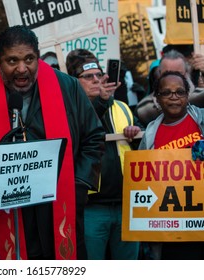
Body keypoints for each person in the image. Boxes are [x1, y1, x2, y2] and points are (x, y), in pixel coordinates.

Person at [0, 25, 105, 260]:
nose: (22, 69)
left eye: (29, 59)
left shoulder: (68, 87)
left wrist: (78, 184)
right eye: (12, 60)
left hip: (54, 209)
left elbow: (93, 137)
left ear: (38, 56)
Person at [66, 49, 142, 260]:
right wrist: (101, 102)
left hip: (127, 203)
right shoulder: (70, 110)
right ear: (74, 81)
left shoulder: (123, 108)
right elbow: (84, 132)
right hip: (92, 209)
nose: (96, 80)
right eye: (88, 77)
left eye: (99, 75)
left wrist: (137, 135)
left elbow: (142, 150)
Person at [139, 71, 204, 259]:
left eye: (180, 92)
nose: (174, 97)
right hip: (170, 226)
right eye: (166, 93)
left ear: (187, 95)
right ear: (157, 98)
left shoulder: (200, 120)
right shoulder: (150, 134)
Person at [136, 49, 204, 127]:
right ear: (159, 73)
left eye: (178, 74)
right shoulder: (145, 107)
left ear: (186, 73)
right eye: (167, 74)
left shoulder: (201, 96)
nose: (172, 79)